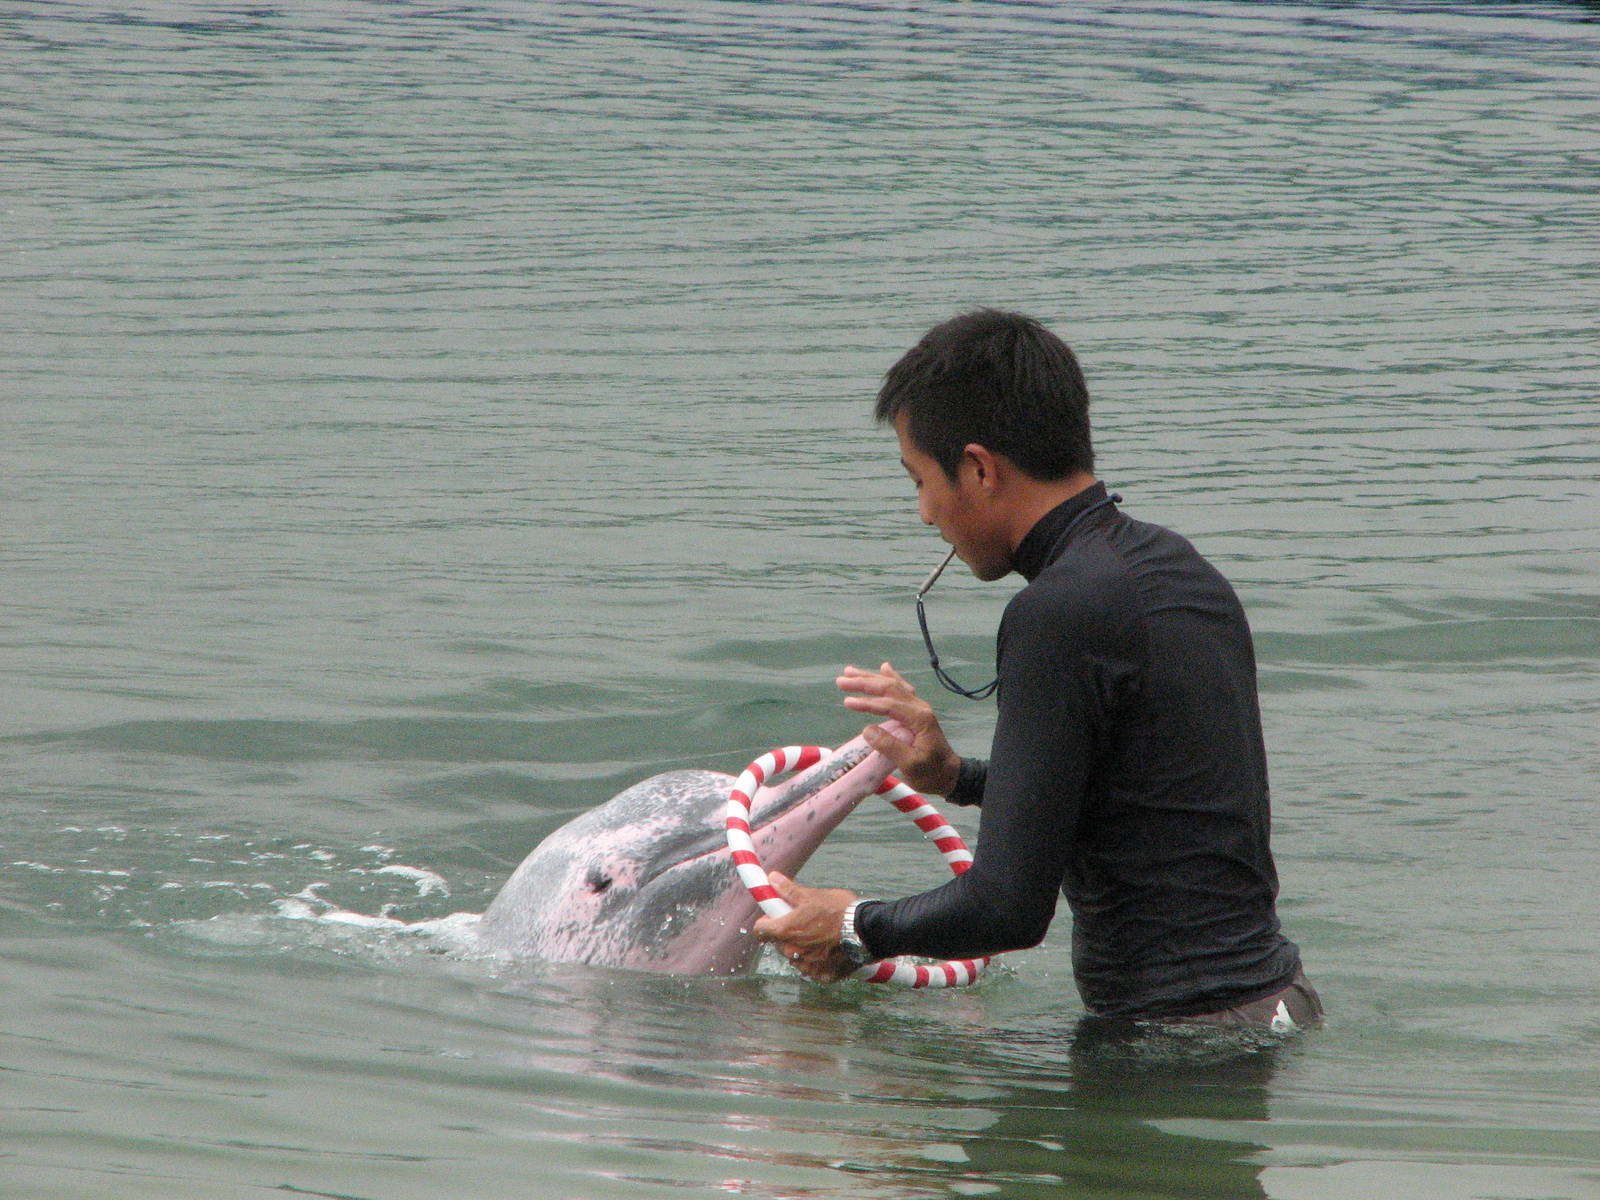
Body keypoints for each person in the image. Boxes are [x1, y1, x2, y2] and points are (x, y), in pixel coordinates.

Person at [753, 309, 1321, 1028]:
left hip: (1177, 1044)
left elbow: (1007, 910)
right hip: (1279, 1005)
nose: (926, 514)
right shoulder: (1178, 569)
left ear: (980, 469)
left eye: (919, 480)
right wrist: (956, 778)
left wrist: (850, 928)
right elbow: (1140, 804)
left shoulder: (1057, 613)